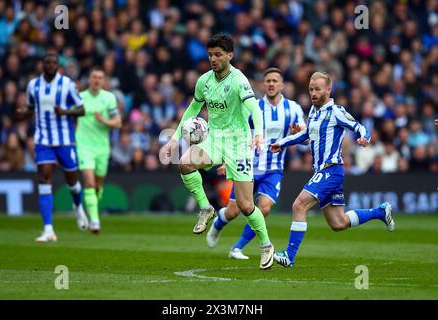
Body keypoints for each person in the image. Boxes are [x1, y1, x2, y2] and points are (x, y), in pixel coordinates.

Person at [161, 34, 274, 269]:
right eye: (210, 54)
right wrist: (173, 138)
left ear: (230, 56)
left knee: (244, 205)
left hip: (238, 144)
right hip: (214, 139)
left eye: (218, 55)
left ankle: (266, 246)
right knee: (184, 163)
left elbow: (255, 109)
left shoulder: (238, 80)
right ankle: (205, 208)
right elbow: (193, 108)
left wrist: (258, 133)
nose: (213, 59)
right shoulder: (204, 81)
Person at [269, 72, 395, 268]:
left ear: (328, 90)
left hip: (331, 170)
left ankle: (289, 256)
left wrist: (365, 138)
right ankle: (380, 212)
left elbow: (359, 126)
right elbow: (307, 136)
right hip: (321, 171)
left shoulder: (336, 111)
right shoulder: (313, 111)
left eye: (317, 89)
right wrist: (282, 143)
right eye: (311, 89)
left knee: (298, 205)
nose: (313, 93)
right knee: (339, 223)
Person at [205, 67, 306, 260]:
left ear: (282, 85)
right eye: (268, 81)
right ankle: (218, 225)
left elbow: (306, 137)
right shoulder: (253, 108)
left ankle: (237, 248)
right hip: (247, 165)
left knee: (264, 208)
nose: (271, 84)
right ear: (263, 85)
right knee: (235, 211)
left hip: (273, 169)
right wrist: (229, 160)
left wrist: (297, 135)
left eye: (275, 80)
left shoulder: (293, 109)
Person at [16, 52, 88, 242]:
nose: (50, 65)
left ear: (58, 65)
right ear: (42, 64)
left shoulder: (67, 85)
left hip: (64, 140)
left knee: (72, 182)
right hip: (43, 140)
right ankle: (48, 229)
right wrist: (23, 114)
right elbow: (31, 108)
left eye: (53, 62)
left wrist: (65, 111)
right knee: (44, 178)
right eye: (47, 62)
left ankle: (78, 206)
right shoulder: (33, 85)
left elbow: (82, 109)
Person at [76, 67, 122, 233]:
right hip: (83, 146)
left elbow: (117, 122)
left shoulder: (109, 98)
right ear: (89, 79)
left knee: (97, 186)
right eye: (94, 77)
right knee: (89, 182)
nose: (96, 80)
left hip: (102, 147)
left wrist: (104, 121)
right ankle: (95, 221)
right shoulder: (79, 98)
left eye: (100, 78)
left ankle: (91, 207)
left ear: (103, 81)